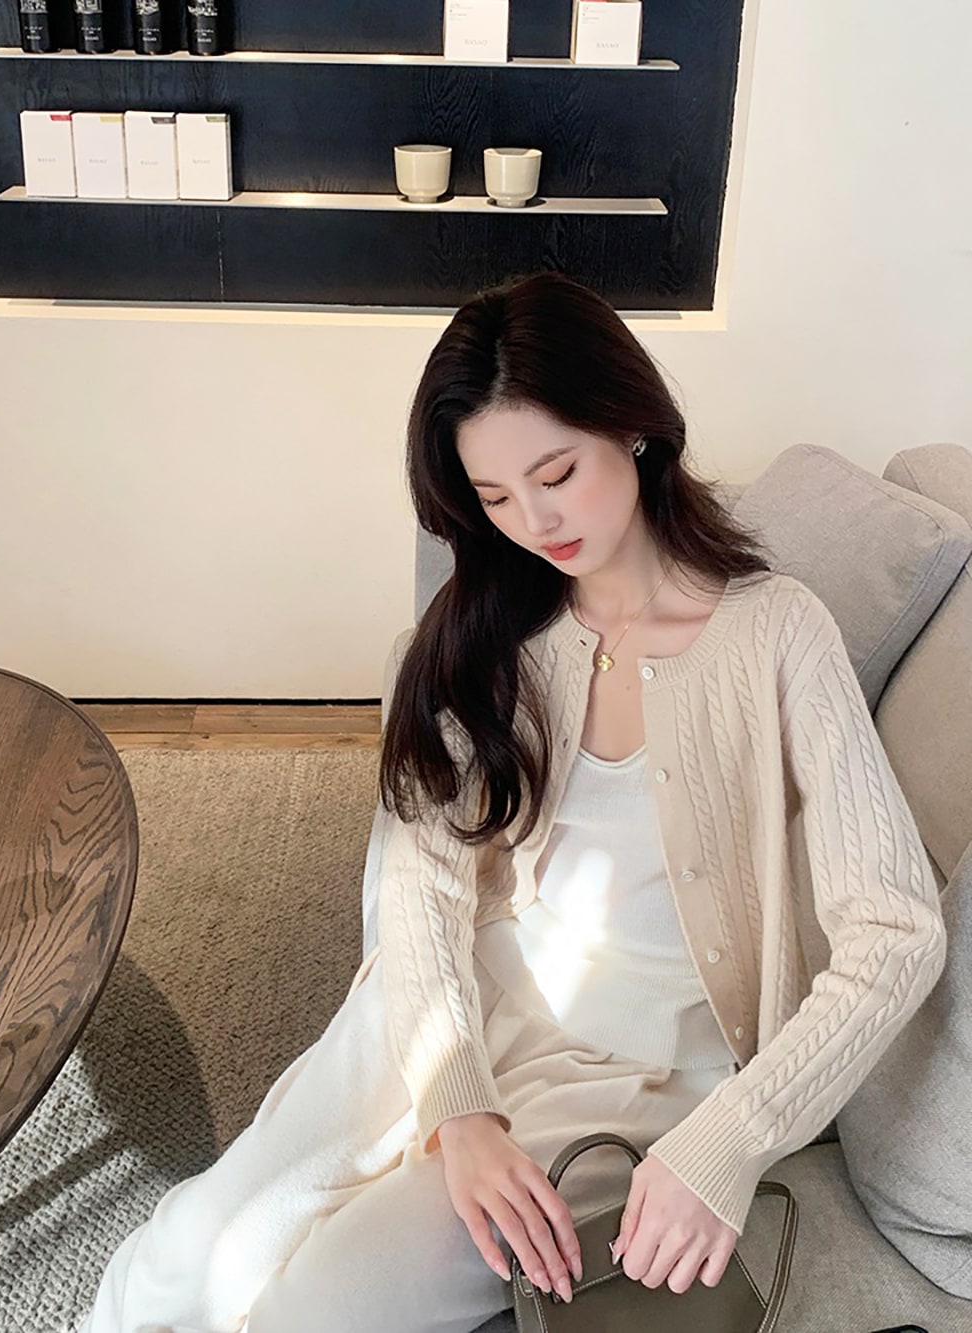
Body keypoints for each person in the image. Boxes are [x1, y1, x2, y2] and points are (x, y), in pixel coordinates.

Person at [80, 271, 947, 1333]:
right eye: (493, 497)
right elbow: (425, 886)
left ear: (632, 426)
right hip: (451, 1005)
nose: (534, 522)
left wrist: (731, 1137)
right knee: (196, 1249)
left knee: (318, 1306)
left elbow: (897, 931)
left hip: (638, 1076)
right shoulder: (491, 631)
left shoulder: (779, 634)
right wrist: (458, 1107)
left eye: (556, 473)